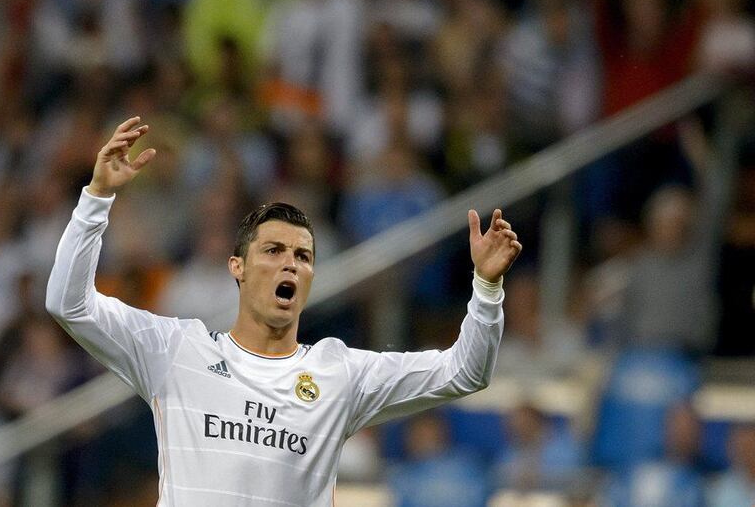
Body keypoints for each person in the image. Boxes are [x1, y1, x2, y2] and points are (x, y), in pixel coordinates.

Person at [45, 116, 522, 506]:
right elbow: (68, 303)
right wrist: (97, 197)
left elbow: (466, 372)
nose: (290, 263)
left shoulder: (339, 372)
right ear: (238, 267)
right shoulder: (175, 351)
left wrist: (486, 286)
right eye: (273, 250)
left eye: (303, 256)